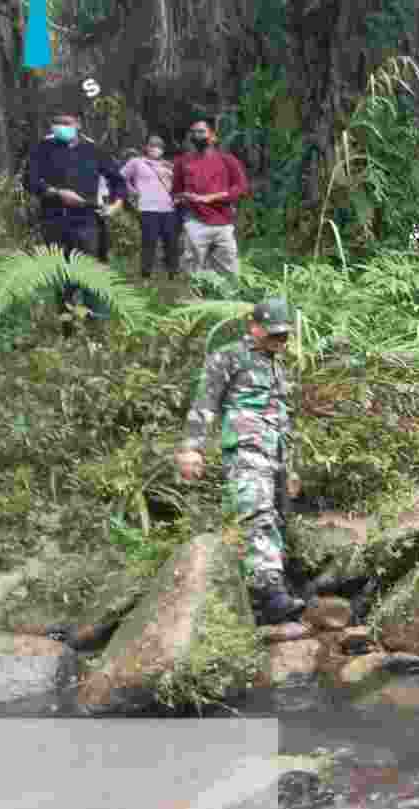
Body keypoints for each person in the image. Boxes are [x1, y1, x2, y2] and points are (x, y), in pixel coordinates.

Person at [174, 298, 307, 625]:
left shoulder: (277, 365)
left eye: (284, 335)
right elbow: (204, 402)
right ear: (255, 327)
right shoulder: (229, 356)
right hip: (246, 448)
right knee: (257, 513)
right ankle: (269, 592)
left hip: (276, 451)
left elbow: (283, 415)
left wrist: (291, 467)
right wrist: (192, 448)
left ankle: (271, 588)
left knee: (278, 517)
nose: (280, 340)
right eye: (274, 334)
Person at [23, 112, 126, 332]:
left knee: (91, 273)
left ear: (78, 124)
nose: (61, 126)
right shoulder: (43, 149)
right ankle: (67, 331)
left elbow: (118, 181)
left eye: (66, 123)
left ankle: (96, 329)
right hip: (54, 221)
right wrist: (57, 192)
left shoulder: (93, 150)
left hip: (87, 221)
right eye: (56, 122)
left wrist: (116, 205)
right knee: (61, 276)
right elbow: (29, 180)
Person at [173, 119, 249, 276]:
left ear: (213, 136)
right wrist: (183, 197)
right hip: (194, 221)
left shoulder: (227, 160)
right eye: (194, 132)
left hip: (223, 222)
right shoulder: (182, 161)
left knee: (229, 270)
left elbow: (241, 187)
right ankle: (195, 291)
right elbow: (176, 190)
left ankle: (228, 292)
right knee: (192, 271)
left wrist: (212, 197)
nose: (197, 135)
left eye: (201, 132)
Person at [122, 135, 181, 279]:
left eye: (159, 146)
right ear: (146, 147)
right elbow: (120, 177)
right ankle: (146, 272)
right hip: (147, 207)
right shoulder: (136, 162)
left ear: (163, 149)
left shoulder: (168, 165)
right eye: (153, 145)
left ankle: (173, 272)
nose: (156, 148)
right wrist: (131, 190)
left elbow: (178, 183)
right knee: (149, 241)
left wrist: (178, 196)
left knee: (171, 241)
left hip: (168, 207)